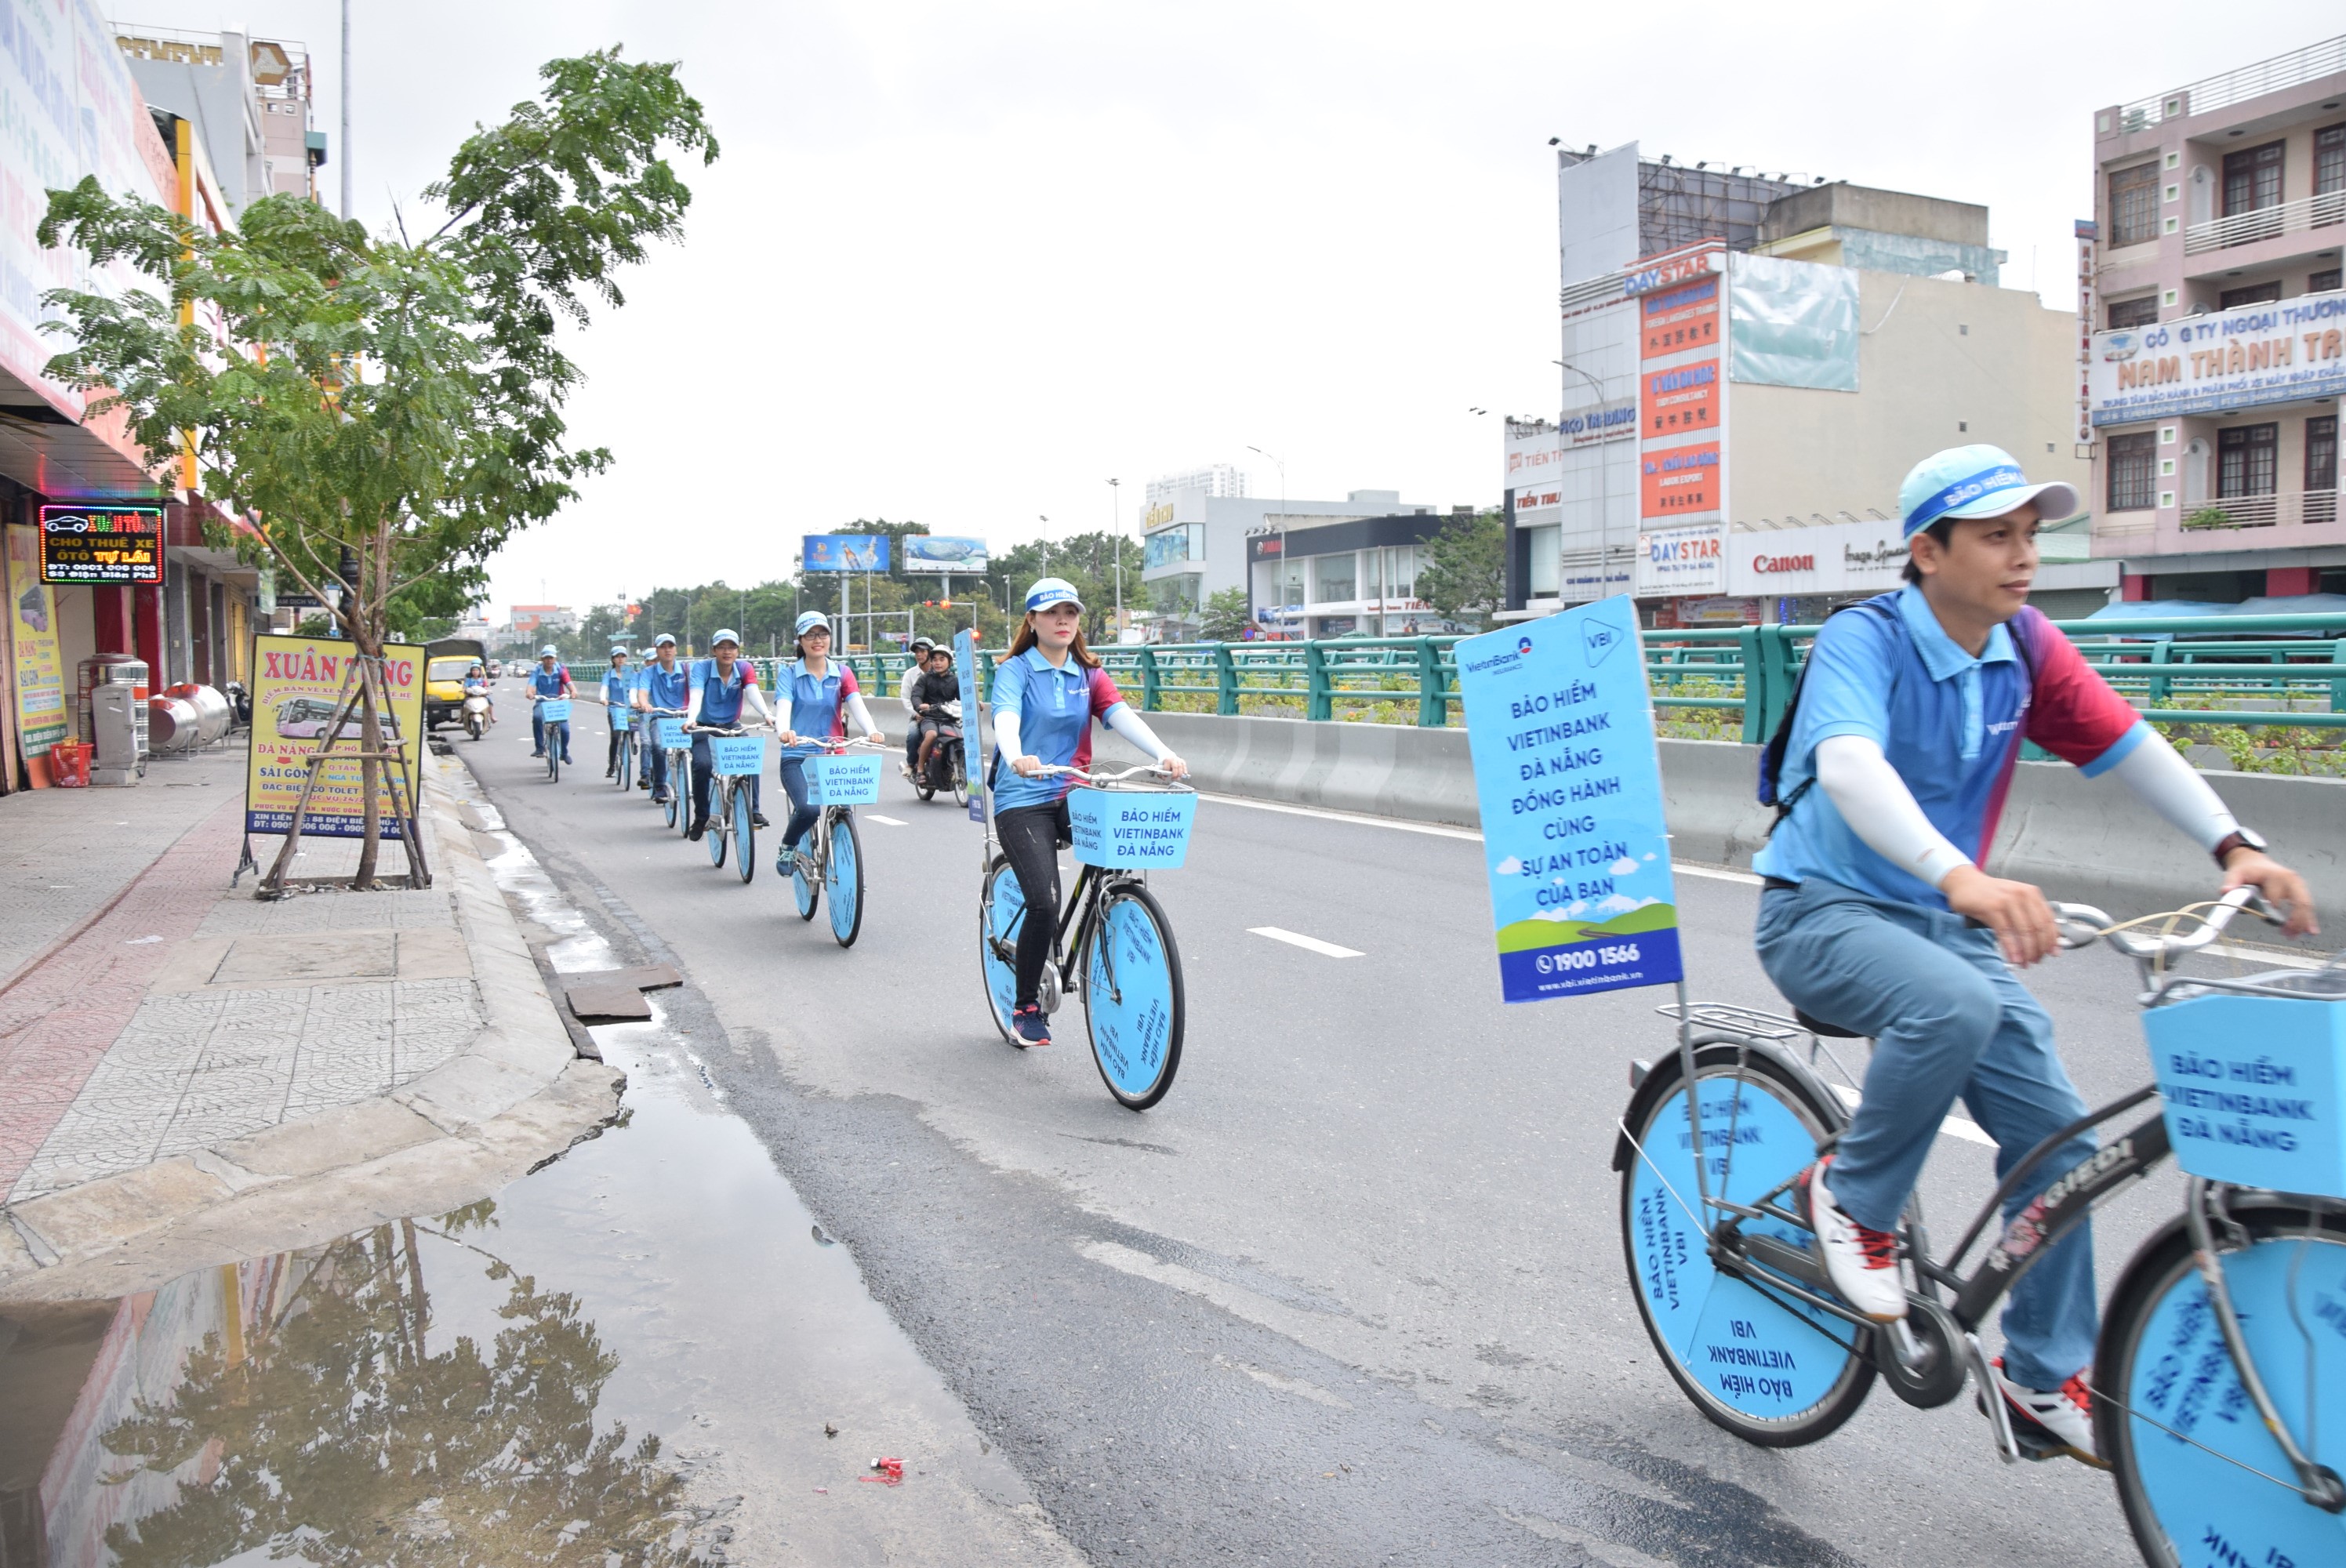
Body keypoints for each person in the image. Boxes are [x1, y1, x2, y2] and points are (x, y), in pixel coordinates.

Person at [1752, 444, 2316, 1467]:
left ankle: (2038, 1370)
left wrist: (2236, 845)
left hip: (1937, 924)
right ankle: (1844, 1196)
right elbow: (1846, 765)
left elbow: (2129, 741)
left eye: (2030, 535)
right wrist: (1962, 878)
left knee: (2060, 1141)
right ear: (1926, 552)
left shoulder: (2027, 646)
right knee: (1954, 1009)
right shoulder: (1865, 640)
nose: (2023, 558)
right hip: (1822, 912)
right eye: (1995, 537)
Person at [990, 579, 1187, 1048]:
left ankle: (1105, 904)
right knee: (1043, 900)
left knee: (1116, 840)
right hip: (1022, 795)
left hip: (1072, 792)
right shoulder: (1016, 670)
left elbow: (1121, 715)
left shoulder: (1088, 674)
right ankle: (1025, 1007)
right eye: (1052, 612)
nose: (1062, 620)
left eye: (1071, 613)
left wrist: (1163, 753)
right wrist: (1016, 754)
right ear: (1032, 621)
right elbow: (1005, 718)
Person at [774, 611, 884, 876]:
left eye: (822, 633)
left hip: (832, 753)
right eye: (810, 635)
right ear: (800, 640)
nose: (817, 640)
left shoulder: (842, 673)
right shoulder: (789, 675)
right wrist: (785, 731)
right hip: (797, 755)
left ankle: (845, 867)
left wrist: (872, 730)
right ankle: (788, 845)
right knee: (809, 809)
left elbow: (857, 705)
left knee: (845, 807)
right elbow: (783, 708)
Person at [685, 629, 772, 839]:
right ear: (714, 650)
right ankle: (701, 816)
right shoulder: (702, 668)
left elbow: (753, 692)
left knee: (751, 756)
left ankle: (754, 810)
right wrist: (691, 718)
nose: (727, 651)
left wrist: (767, 714)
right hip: (704, 726)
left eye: (732, 647)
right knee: (702, 765)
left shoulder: (744, 668)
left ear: (737, 650)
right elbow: (696, 695)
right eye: (722, 647)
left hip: (731, 725)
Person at [634, 633, 689, 803]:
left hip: (683, 717)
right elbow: (642, 691)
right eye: (663, 647)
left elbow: (697, 689)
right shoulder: (649, 672)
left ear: (675, 649)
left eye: (670, 646)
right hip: (660, 717)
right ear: (657, 650)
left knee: (701, 753)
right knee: (658, 746)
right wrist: (644, 704)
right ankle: (659, 786)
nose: (667, 650)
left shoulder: (687, 670)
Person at [910, 643, 961, 782]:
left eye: (942, 659)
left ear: (949, 661)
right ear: (931, 662)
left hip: (949, 718)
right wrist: (920, 706)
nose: (938, 663)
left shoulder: (955, 680)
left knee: (960, 736)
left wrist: (976, 703)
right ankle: (920, 770)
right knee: (931, 735)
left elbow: (964, 698)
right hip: (930, 719)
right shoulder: (925, 679)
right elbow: (915, 695)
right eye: (935, 660)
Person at [528, 646, 575, 762]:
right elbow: (531, 685)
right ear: (542, 659)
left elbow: (569, 683)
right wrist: (529, 693)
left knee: (565, 730)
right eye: (546, 658)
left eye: (551, 658)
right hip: (542, 702)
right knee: (537, 717)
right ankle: (540, 748)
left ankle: (564, 752)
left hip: (559, 703)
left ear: (555, 659)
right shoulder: (537, 671)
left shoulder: (560, 670)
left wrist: (573, 691)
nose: (549, 660)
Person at [899, 636, 935, 776]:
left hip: (940, 716)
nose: (919, 655)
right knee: (913, 734)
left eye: (923, 651)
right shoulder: (910, 674)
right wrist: (916, 714)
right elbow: (906, 698)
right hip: (919, 717)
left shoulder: (939, 672)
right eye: (916, 652)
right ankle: (910, 764)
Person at [601, 646, 634, 778]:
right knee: (615, 737)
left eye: (623, 656)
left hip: (629, 709)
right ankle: (612, 765)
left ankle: (631, 745)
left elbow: (635, 688)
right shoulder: (609, 674)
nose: (620, 659)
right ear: (613, 659)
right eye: (617, 657)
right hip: (614, 709)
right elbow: (604, 688)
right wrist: (603, 699)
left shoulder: (631, 673)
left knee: (631, 730)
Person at [462, 662, 495, 726]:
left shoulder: (482, 680)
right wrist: (464, 690)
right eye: (473, 670)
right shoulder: (469, 680)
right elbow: (465, 686)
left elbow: (485, 687)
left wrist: (487, 691)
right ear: (471, 672)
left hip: (481, 696)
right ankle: (461, 717)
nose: (475, 672)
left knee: (489, 701)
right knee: (462, 702)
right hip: (471, 696)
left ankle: (492, 717)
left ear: (479, 672)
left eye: (477, 670)